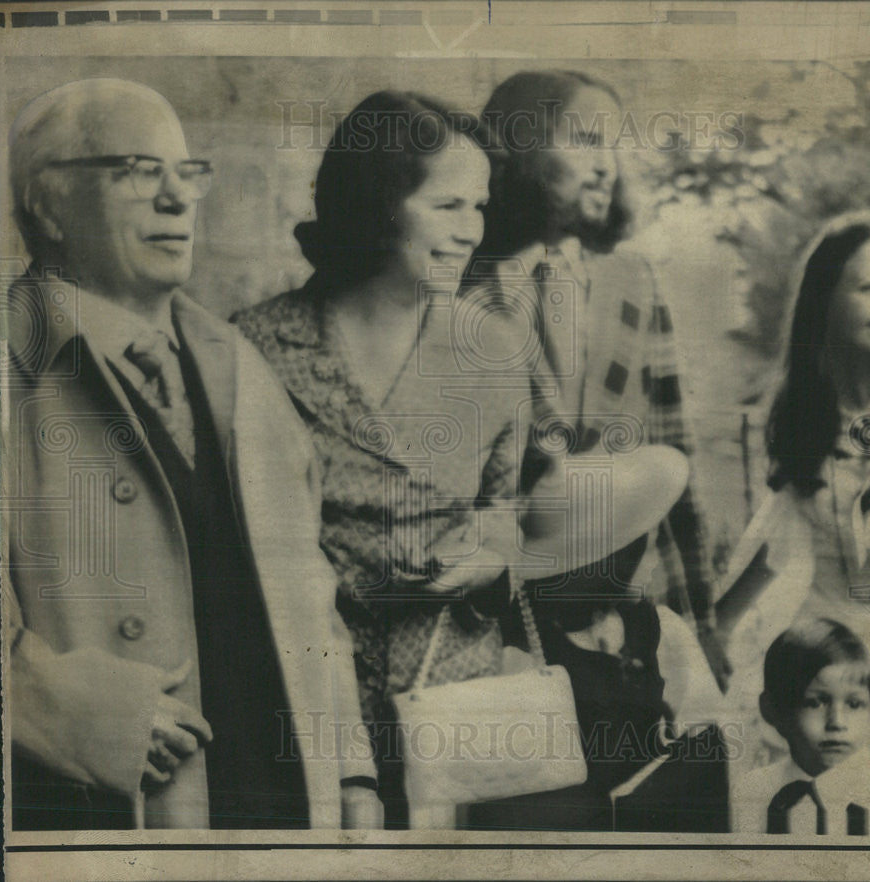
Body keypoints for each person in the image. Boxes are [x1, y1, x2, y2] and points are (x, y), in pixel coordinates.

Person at [2, 78, 378, 830]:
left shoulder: (240, 367)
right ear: (47, 205)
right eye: (139, 171)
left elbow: (313, 598)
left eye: (188, 172)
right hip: (108, 818)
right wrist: (72, 712)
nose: (178, 199)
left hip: (281, 807)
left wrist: (351, 773)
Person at [232, 91, 539, 828]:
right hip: (304, 698)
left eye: (480, 208)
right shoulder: (254, 349)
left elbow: (503, 510)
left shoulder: (493, 353)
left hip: (453, 700)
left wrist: (492, 559)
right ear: (376, 205)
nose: (471, 233)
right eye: (447, 207)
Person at [459, 70, 729, 831]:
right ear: (511, 151)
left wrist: (699, 618)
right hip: (501, 626)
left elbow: (673, 454)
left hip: (614, 617)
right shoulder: (459, 281)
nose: (606, 162)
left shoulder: (631, 279)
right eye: (582, 140)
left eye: (612, 143)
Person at [717, 210, 870, 825]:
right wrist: (711, 634)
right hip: (837, 695)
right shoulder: (809, 423)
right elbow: (764, 551)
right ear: (827, 303)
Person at [731, 618, 870, 840]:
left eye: (854, 704)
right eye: (816, 703)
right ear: (773, 710)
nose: (837, 722)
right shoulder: (749, 792)